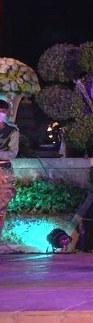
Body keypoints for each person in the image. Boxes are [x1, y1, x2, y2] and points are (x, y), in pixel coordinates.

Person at [0, 100, 19, 236]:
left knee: (1, 207)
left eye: (2, 111)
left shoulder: (12, 131)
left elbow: (12, 153)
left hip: (3, 172)